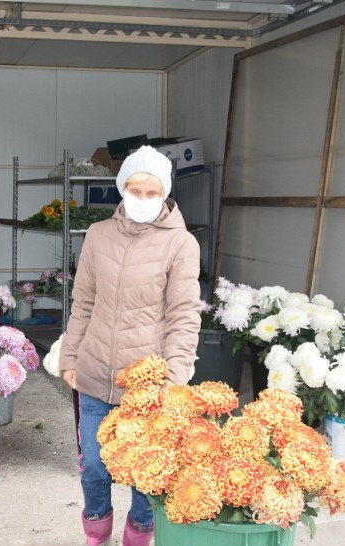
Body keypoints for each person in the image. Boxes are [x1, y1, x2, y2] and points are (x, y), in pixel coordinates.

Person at [60, 145, 202, 546]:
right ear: (121, 188)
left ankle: (139, 531)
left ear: (165, 194)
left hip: (147, 384)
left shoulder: (181, 244)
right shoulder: (98, 235)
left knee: (147, 470)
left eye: (151, 192)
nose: (142, 200)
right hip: (94, 374)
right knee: (93, 466)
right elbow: (83, 301)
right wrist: (70, 356)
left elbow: (184, 315)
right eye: (134, 190)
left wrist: (175, 377)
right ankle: (97, 528)